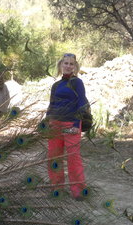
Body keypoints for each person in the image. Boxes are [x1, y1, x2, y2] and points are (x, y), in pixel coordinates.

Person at [46, 53, 88, 200]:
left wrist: (77, 124)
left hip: (71, 123)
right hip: (55, 124)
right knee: (54, 158)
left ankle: (78, 191)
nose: (68, 66)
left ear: (75, 67)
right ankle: (57, 188)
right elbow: (52, 105)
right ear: (60, 65)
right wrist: (46, 123)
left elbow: (82, 103)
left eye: (71, 64)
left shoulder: (77, 82)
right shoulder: (56, 85)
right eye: (66, 63)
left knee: (73, 158)